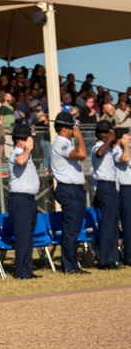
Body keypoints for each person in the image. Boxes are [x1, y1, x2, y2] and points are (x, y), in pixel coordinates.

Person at [50, 111, 88, 274]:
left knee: (73, 228)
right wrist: (79, 137)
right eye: (73, 126)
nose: (75, 129)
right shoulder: (63, 144)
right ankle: (70, 265)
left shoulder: (64, 143)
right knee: (71, 229)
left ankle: (72, 263)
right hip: (69, 189)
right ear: (65, 128)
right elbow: (82, 154)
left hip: (73, 189)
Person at [7, 126, 39, 279]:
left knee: (28, 237)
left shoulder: (26, 154)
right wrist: (28, 149)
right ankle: (21, 271)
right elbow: (19, 161)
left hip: (29, 200)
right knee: (22, 236)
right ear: (21, 141)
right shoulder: (17, 153)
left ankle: (27, 269)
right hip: (20, 199)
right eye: (28, 139)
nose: (31, 141)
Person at [90, 119, 120, 269]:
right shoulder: (98, 146)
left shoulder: (110, 148)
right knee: (108, 225)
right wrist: (109, 139)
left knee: (114, 225)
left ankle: (112, 258)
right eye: (108, 132)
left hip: (112, 186)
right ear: (102, 134)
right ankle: (104, 260)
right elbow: (99, 153)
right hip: (105, 186)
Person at [114, 127, 131, 266]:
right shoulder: (117, 150)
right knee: (128, 224)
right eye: (127, 135)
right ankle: (129, 257)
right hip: (125, 189)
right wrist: (125, 145)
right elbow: (125, 159)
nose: (130, 138)